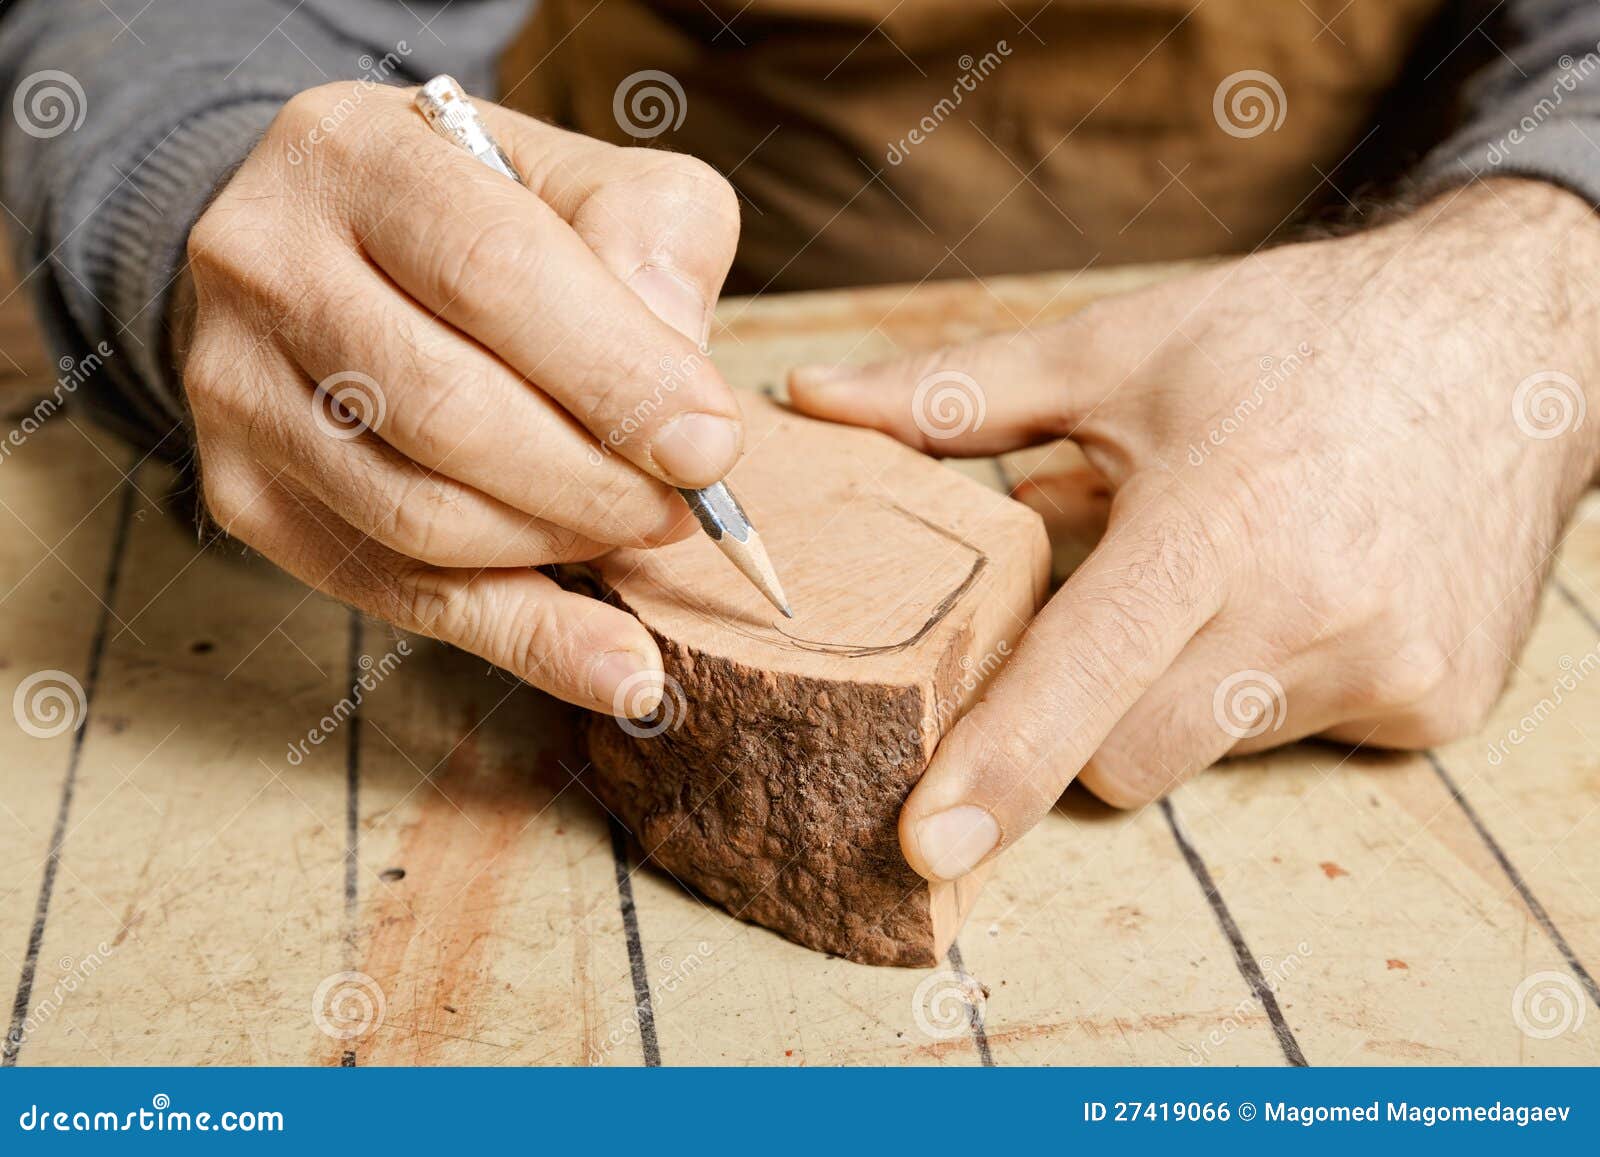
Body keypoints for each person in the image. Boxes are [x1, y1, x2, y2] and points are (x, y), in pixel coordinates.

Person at [3, 0, 1597, 886]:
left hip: (1329, 325)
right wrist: (216, 207)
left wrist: (1522, 290)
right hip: (650, 305)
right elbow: (171, 24)